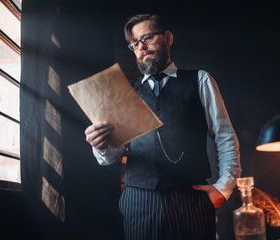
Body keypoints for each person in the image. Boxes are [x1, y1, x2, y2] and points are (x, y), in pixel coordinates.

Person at [84, 13, 241, 240]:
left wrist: (224, 188)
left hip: (191, 198)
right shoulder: (125, 93)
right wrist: (101, 147)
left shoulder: (200, 80)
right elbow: (112, 156)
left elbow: (225, 137)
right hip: (138, 202)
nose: (141, 46)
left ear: (167, 38)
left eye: (147, 37)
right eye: (135, 43)